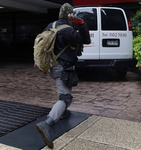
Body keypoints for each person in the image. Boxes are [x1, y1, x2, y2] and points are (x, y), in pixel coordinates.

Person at [35, 3, 90, 149]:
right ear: (70, 16)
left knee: (64, 94)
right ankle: (47, 124)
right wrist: (82, 24)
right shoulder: (67, 30)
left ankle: (63, 113)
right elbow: (85, 39)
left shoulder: (50, 25)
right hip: (62, 68)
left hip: (52, 66)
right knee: (65, 97)